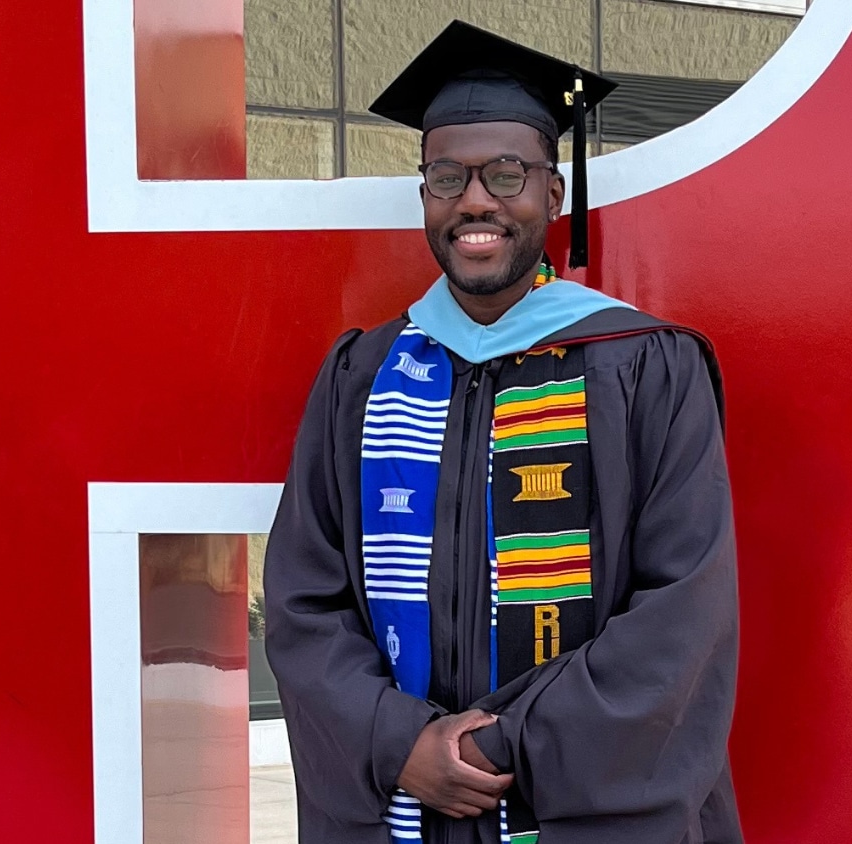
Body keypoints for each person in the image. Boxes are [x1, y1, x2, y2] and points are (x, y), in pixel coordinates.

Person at [264, 20, 741, 844]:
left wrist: (494, 747)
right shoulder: (363, 375)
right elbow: (306, 599)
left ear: (552, 196)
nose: (475, 200)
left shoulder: (647, 368)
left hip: (577, 806)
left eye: (507, 173)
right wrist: (399, 743)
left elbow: (683, 614)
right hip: (399, 804)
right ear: (425, 197)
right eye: (447, 176)